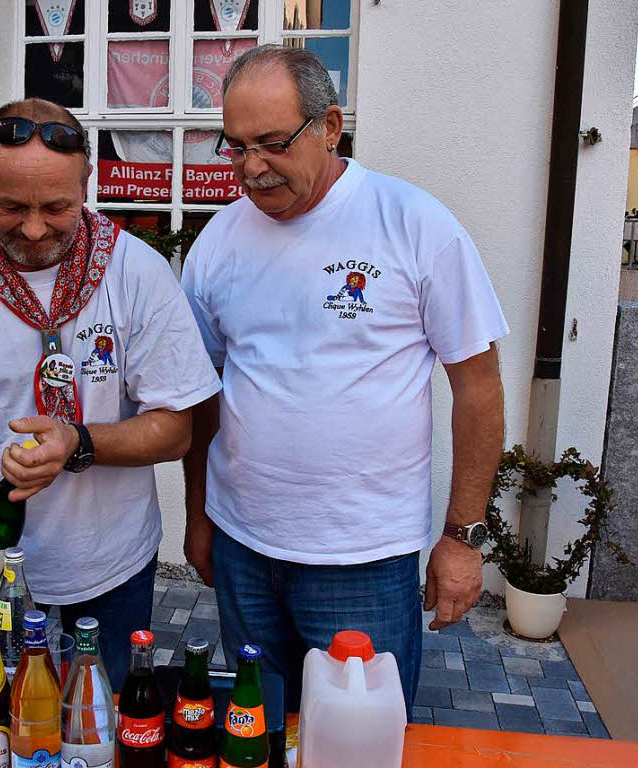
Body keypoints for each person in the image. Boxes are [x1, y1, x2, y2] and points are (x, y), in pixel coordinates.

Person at [180, 45, 508, 716]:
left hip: (364, 557)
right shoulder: (217, 241)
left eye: (272, 144)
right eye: (235, 146)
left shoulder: (413, 224)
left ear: (329, 127)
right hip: (244, 547)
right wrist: (199, 516)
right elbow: (202, 395)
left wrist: (463, 537)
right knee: (259, 731)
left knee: (357, 739)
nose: (251, 168)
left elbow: (479, 388)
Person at [0, 98, 221, 688]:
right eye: (9, 206)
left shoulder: (137, 275)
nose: (33, 228)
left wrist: (78, 442)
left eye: (57, 206)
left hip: (113, 562)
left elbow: (176, 428)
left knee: (101, 725)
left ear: (87, 182)